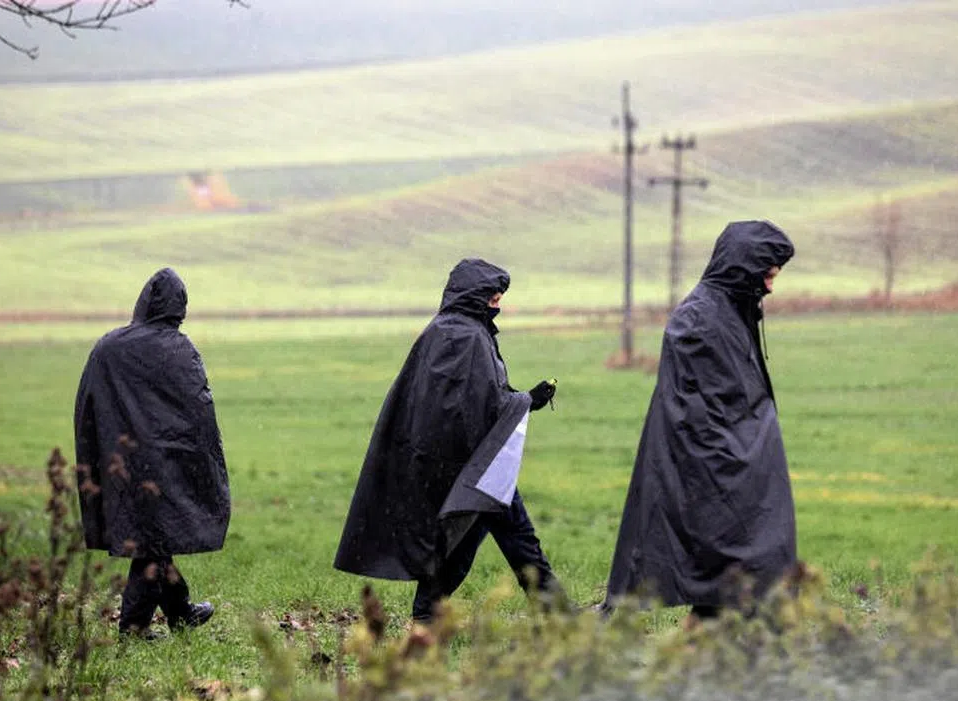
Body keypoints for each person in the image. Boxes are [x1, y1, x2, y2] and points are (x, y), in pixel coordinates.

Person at [334, 258, 563, 623]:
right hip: (470, 465)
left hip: (473, 462)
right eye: (493, 295)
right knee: (492, 537)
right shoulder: (465, 337)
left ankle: (554, 612)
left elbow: (479, 398)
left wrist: (519, 400)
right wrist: (527, 401)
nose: (498, 302)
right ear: (476, 295)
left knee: (507, 536)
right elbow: (475, 407)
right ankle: (429, 615)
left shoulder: (450, 330)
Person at [602, 220, 797, 627]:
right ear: (744, 267)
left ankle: (707, 661)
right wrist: (741, 456)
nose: (770, 287)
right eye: (767, 275)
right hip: (714, 475)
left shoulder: (729, 312)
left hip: (736, 473)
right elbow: (699, 413)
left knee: (738, 574)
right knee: (740, 565)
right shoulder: (699, 320)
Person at [74, 268, 230, 640]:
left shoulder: (109, 347)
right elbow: (198, 409)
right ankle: (133, 627)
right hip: (166, 460)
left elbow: (87, 406)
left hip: (121, 459)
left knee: (154, 536)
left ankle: (180, 612)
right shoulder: (180, 350)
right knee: (155, 540)